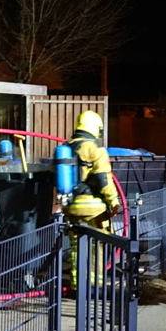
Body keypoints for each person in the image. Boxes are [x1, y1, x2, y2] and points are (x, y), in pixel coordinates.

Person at [63, 110, 121, 291]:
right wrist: (114, 201)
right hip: (93, 208)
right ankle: (95, 288)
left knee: (76, 248)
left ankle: (77, 287)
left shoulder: (66, 147)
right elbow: (103, 179)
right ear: (96, 129)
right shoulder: (95, 149)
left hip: (71, 207)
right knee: (97, 246)